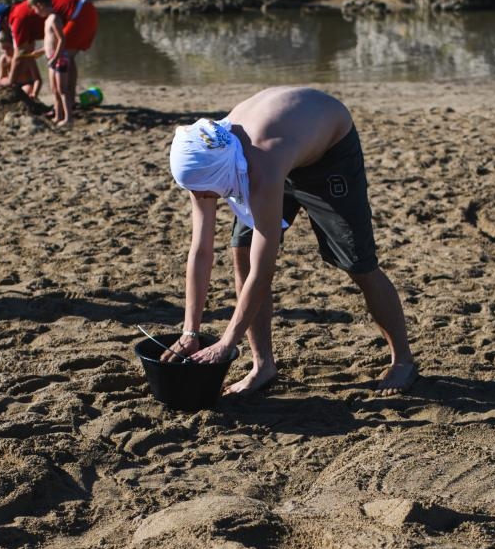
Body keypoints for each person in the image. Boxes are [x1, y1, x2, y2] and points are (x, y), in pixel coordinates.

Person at [165, 87, 417, 396]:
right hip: (280, 147)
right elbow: (201, 250)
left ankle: (403, 360)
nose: (201, 198)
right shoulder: (204, 156)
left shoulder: (261, 166)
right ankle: (263, 366)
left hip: (328, 152)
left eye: (204, 191)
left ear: (220, 173)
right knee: (241, 250)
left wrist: (227, 344)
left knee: (358, 264)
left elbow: (264, 270)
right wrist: (190, 331)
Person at [26, 0, 98, 126]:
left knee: (62, 90)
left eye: (34, 9)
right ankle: (58, 116)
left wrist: (55, 57)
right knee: (54, 90)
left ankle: (68, 118)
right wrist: (41, 51)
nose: (35, 12)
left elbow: (62, 40)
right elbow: (50, 42)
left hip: (59, 59)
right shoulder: (47, 19)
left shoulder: (54, 18)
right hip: (52, 59)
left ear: (40, 5)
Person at [0, 0, 42, 98]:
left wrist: (35, 94)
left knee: (26, 90)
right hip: (13, 85)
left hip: (27, 84)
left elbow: (37, 79)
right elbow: (1, 78)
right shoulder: (4, 59)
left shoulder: (26, 57)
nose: (5, 51)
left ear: (14, 45)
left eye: (8, 48)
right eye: (2, 49)